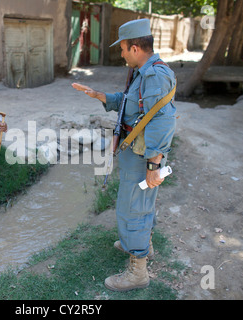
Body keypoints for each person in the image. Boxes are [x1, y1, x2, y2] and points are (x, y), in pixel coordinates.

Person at [72, 19, 176, 291]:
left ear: (134, 47)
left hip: (144, 155)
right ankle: (143, 244)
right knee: (137, 203)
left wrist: (154, 164)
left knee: (134, 208)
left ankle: (138, 272)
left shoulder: (154, 75)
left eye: (122, 49)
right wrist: (98, 95)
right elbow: (130, 104)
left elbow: (163, 122)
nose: (120, 53)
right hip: (136, 151)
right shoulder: (143, 71)